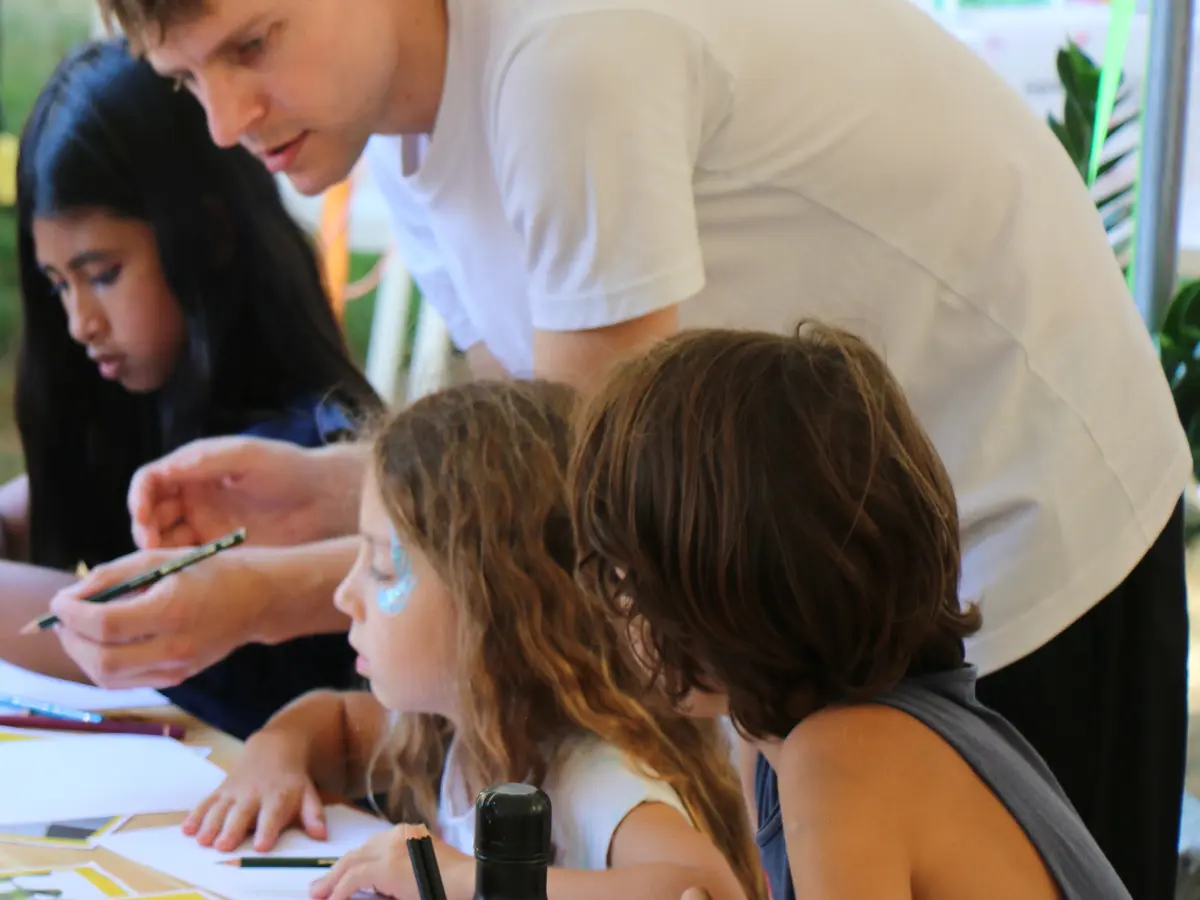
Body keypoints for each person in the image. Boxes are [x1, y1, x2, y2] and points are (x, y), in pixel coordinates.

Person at [85, 0, 1187, 894]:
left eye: (251, 44)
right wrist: (338, 493)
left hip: (1017, 530)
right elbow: (518, 462)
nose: (224, 121)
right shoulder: (395, 133)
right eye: (186, 80)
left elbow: (556, 516)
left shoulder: (568, 57)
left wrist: (261, 598)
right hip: (788, 595)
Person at [570, 323, 1132, 900]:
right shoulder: (767, 738)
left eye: (624, 576)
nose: (620, 608)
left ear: (725, 595)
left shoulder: (840, 761)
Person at [183, 380, 761, 900]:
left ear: (497, 604)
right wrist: (273, 755)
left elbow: (703, 888)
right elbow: (334, 722)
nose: (344, 594)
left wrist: (456, 878)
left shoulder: (582, 770)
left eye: (383, 566)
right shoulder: (466, 734)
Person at [0, 39, 381, 739]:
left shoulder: (299, 441)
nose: (79, 322)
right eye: (58, 285)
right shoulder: (144, 397)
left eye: (104, 272)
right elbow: (35, 507)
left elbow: (130, 628)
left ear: (206, 234)